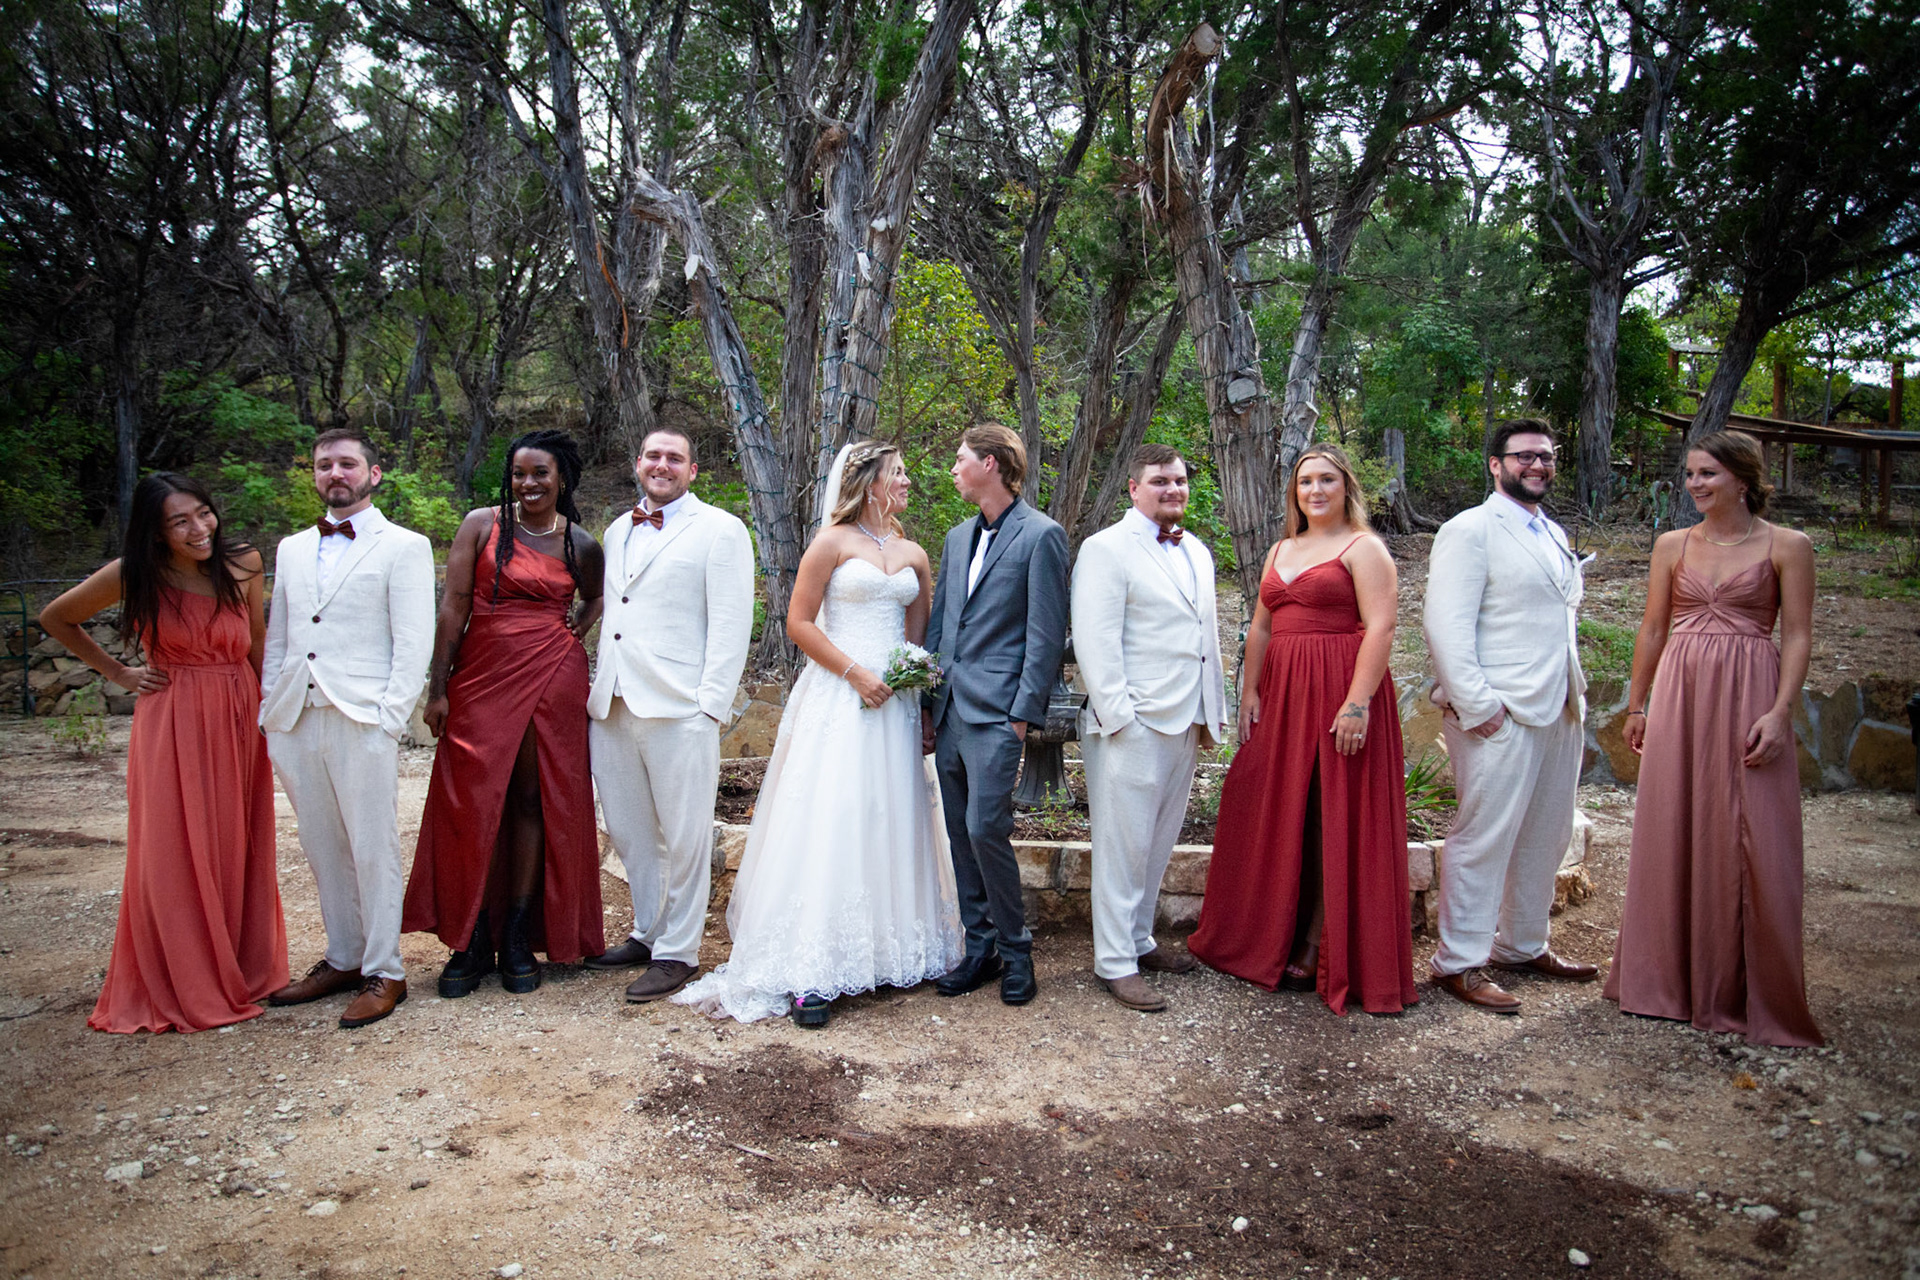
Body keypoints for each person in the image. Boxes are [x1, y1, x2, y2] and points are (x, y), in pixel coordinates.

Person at [677, 442, 964, 1026]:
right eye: (898, 473)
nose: (907, 481)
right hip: (840, 696)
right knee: (835, 814)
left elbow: (918, 641)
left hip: (896, 706)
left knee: (889, 814)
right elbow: (798, 622)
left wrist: (919, 704)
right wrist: (855, 673)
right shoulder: (831, 543)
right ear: (870, 481)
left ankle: (889, 952)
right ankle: (814, 968)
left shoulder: (913, 553)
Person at [41, 473, 287, 1033]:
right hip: (173, 718)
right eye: (180, 521)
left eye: (203, 513)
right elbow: (57, 617)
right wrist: (119, 672)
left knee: (235, 838)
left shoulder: (244, 563)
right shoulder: (135, 572)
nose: (199, 529)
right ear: (156, 531)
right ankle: (186, 978)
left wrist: (272, 717)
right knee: (175, 845)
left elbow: (255, 641)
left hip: (238, 711)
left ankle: (241, 967)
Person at [1605, 431, 1822, 1046]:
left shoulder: (1789, 546)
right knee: (1672, 822)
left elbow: (1798, 634)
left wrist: (1780, 712)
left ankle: (1739, 987)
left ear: (1743, 479)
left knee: (1753, 830)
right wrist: (1637, 704)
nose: (1694, 484)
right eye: (1690, 474)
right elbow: (1653, 629)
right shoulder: (1672, 545)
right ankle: (1664, 980)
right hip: (1681, 692)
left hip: (1751, 691)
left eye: (1708, 474)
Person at [1189, 444, 1417, 1016]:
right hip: (1283, 694)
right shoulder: (1281, 548)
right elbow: (1262, 628)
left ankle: (1319, 944)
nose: (1315, 490)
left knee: (1332, 814)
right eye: (1305, 481)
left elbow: (1382, 627)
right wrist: (1250, 693)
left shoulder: (1364, 548)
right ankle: (1264, 934)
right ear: (1295, 491)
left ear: (1347, 487)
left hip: (1339, 689)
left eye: (1327, 480)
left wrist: (1358, 704)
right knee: (1268, 801)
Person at [403, 431, 606, 997]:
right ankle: (469, 938)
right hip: (481, 672)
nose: (528, 483)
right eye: (519, 473)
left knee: (531, 800)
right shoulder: (481, 525)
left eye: (540, 473)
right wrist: (438, 687)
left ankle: (517, 935)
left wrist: (576, 628)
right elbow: (453, 606)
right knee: (472, 799)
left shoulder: (581, 543)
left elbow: (596, 596)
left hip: (551, 674)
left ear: (562, 478)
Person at [259, 429, 435, 1029]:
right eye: (324, 465)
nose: (335, 473)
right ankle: (344, 956)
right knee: (321, 843)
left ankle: (386, 969)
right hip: (296, 715)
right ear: (314, 474)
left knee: (371, 844)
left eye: (347, 464)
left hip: (362, 716)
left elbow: (413, 640)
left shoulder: (405, 546)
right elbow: (280, 633)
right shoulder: (291, 548)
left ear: (373, 474)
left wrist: (389, 719)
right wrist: (270, 707)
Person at [1421, 419, 1595, 1015]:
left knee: (1547, 834)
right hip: (1500, 712)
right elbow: (1445, 625)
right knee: (1484, 837)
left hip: (1560, 705)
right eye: (1524, 456)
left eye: (1546, 455)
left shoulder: (1553, 532)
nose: (1538, 465)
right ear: (1496, 465)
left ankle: (1522, 945)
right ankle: (1459, 962)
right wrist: (1479, 707)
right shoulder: (1469, 529)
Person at [587, 428, 755, 1004]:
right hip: (613, 702)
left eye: (675, 458)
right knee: (630, 831)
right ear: (638, 463)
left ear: (693, 470)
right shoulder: (617, 529)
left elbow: (731, 622)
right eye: (654, 456)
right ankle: (648, 929)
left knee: (684, 836)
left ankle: (678, 952)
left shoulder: (721, 530)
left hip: (681, 705)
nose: (663, 465)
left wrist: (710, 706)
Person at [1071, 444, 1226, 1012]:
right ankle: (1114, 962)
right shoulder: (1105, 548)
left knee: (1157, 844)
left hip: (1185, 717)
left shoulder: (1198, 551)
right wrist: (1120, 719)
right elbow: (1095, 640)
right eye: (1160, 481)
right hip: (1131, 723)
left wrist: (1212, 712)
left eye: (1179, 480)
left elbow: (1206, 639)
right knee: (1122, 846)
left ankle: (1139, 940)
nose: (1173, 489)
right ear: (1134, 488)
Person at [922, 423, 1069, 1007]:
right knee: (960, 833)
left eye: (961, 459)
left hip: (999, 714)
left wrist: (1022, 716)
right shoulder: (957, 537)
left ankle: (1017, 951)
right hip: (951, 711)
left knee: (987, 827)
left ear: (991, 463)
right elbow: (942, 625)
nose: (953, 469)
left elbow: (1046, 633)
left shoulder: (1042, 535)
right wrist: (929, 705)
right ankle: (978, 948)